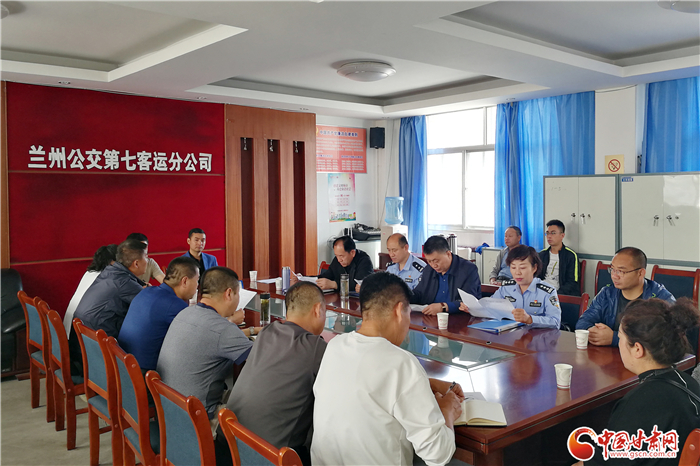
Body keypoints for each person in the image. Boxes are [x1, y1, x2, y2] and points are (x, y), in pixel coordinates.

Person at [311, 272, 463, 466]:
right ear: (399, 311)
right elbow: (437, 454)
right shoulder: (401, 363)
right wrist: (447, 409)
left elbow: (367, 383)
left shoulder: (336, 345)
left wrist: (426, 383)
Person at [575, 298, 700, 466]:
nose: (619, 344)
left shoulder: (640, 403)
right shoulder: (690, 383)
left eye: (620, 338)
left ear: (638, 349)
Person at [215, 281, 327, 466]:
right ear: (317, 310)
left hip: (227, 445)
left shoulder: (267, 332)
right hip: (268, 458)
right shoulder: (316, 347)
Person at [156, 267, 254, 428]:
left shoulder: (185, 313)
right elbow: (263, 359)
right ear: (229, 293)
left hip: (170, 410)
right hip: (197, 420)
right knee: (261, 410)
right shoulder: (223, 330)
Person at [70, 239, 147, 375]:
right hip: (99, 361)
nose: (148, 260)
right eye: (146, 256)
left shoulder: (110, 272)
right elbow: (152, 307)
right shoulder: (124, 282)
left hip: (82, 351)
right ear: (136, 263)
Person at [576, 247, 675, 346]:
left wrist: (614, 338)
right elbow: (583, 321)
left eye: (621, 271)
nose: (614, 276)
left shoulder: (661, 300)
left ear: (640, 273)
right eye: (612, 269)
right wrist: (592, 332)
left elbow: (664, 340)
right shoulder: (607, 294)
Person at [117, 257, 200, 372]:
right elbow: (198, 337)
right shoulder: (174, 305)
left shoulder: (146, 291)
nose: (197, 286)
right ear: (185, 281)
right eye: (197, 280)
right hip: (144, 374)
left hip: (123, 365)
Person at [464, 245, 561, 329]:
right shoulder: (506, 288)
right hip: (509, 337)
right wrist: (472, 308)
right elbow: (489, 308)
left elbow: (556, 322)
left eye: (522, 268)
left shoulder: (547, 291)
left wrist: (530, 319)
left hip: (536, 339)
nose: (517, 272)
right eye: (513, 267)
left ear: (534, 268)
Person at [411, 235, 481, 315]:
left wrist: (444, 307)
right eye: (429, 261)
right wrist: (404, 296)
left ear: (448, 254)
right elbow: (419, 294)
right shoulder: (429, 269)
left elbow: (470, 302)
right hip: (431, 318)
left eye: (436, 261)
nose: (433, 265)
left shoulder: (468, 269)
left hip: (459, 318)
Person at [63, 244, 117, 334]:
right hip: (80, 330)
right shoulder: (107, 279)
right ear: (113, 262)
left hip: (71, 325)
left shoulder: (89, 273)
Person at [292, 235, 373, 291]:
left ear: (352, 253)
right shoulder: (337, 260)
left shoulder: (364, 261)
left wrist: (334, 284)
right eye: (336, 255)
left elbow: (358, 285)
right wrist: (303, 279)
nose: (339, 260)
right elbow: (326, 276)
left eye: (341, 256)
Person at [537, 220, 580, 296]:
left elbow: (572, 282)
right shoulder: (542, 254)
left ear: (562, 236)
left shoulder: (570, 255)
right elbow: (536, 276)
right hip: (542, 292)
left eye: (553, 233)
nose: (549, 236)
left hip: (560, 294)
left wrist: (556, 294)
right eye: (547, 233)